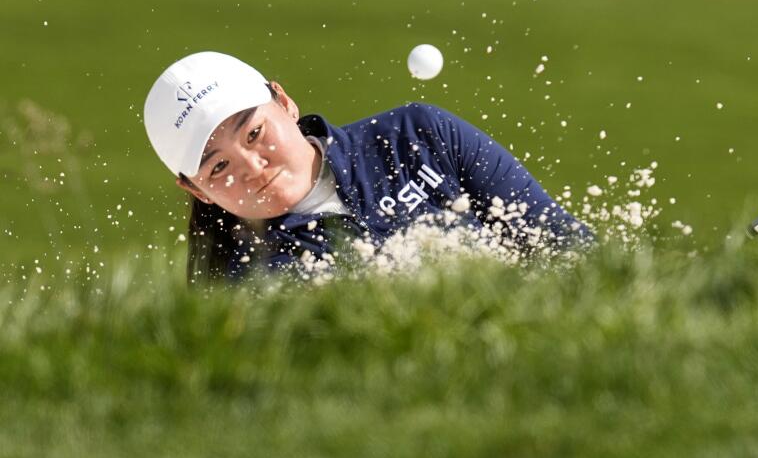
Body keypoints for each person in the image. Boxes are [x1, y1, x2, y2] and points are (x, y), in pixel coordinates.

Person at [144, 51, 593, 284]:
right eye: (219, 166)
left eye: (254, 133)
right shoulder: (246, 283)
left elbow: (566, 245)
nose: (253, 165)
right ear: (198, 191)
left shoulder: (418, 136)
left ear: (283, 102)